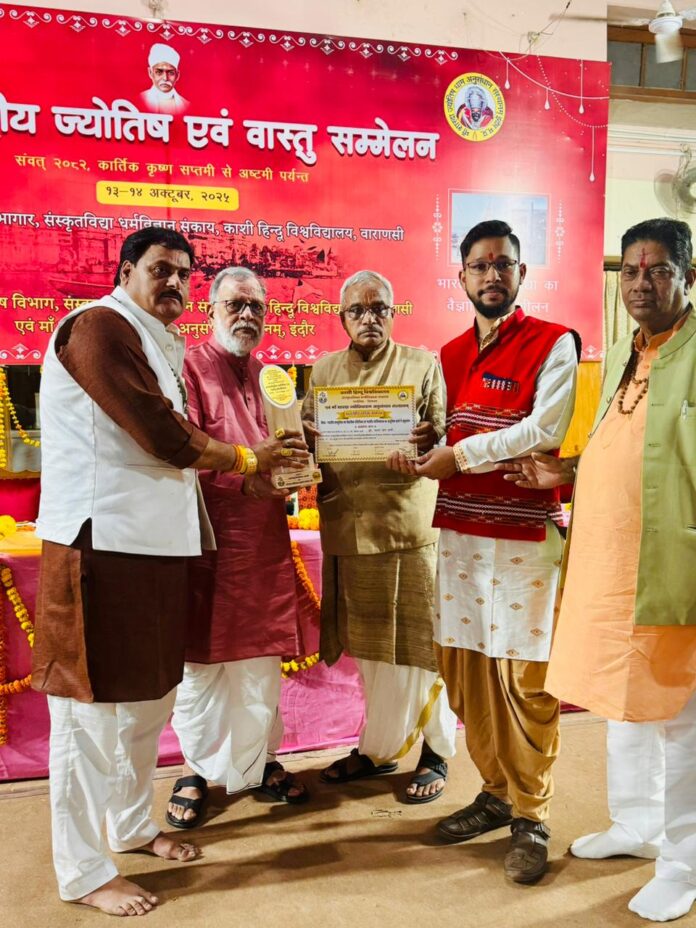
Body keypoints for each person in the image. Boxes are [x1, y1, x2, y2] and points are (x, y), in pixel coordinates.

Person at [32, 227, 305, 917]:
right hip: (98, 547)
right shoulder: (98, 327)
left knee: (147, 706)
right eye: (161, 269)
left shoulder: (159, 342)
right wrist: (248, 459)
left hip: (156, 551)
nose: (174, 283)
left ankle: (129, 827)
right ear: (126, 271)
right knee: (89, 718)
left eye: (184, 272)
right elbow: (160, 434)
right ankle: (83, 872)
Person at [500, 218, 696, 921]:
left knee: (680, 716)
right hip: (611, 562)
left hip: (674, 565)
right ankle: (637, 824)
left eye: (658, 270)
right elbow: (627, 446)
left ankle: (685, 863)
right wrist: (566, 471)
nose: (641, 284)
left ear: (688, 278)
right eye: (631, 272)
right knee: (622, 699)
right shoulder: (623, 351)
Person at [394, 219, 578, 882]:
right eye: (480, 265)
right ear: (463, 276)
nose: (492, 275)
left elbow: (543, 429)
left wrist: (459, 455)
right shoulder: (448, 354)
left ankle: (532, 815)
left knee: (526, 682)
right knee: (467, 674)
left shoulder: (554, 342)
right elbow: (448, 434)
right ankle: (496, 793)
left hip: (525, 539)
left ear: (521, 273)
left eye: (503, 264)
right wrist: (426, 443)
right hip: (462, 539)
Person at [301, 270, 458, 803]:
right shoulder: (324, 369)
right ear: (342, 318)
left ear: (393, 313)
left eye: (379, 309)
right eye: (357, 310)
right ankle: (379, 748)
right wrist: (307, 436)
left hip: (407, 527)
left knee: (419, 647)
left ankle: (436, 750)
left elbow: (445, 432)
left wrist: (430, 437)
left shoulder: (422, 364)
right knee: (370, 653)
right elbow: (306, 436)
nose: (369, 318)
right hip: (349, 528)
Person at [165, 267, 310, 828]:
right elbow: (183, 451)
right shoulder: (187, 370)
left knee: (259, 667)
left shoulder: (271, 378)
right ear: (210, 311)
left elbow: (285, 447)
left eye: (256, 306)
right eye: (235, 305)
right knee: (202, 668)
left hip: (264, 546)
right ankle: (195, 769)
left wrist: (300, 461)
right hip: (207, 543)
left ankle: (260, 761)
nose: (247, 315)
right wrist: (245, 480)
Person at [140, 43, 189, 115]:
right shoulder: (139, 100)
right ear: (150, 72)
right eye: (159, 72)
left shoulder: (187, 106)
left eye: (171, 73)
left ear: (177, 75)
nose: (165, 78)